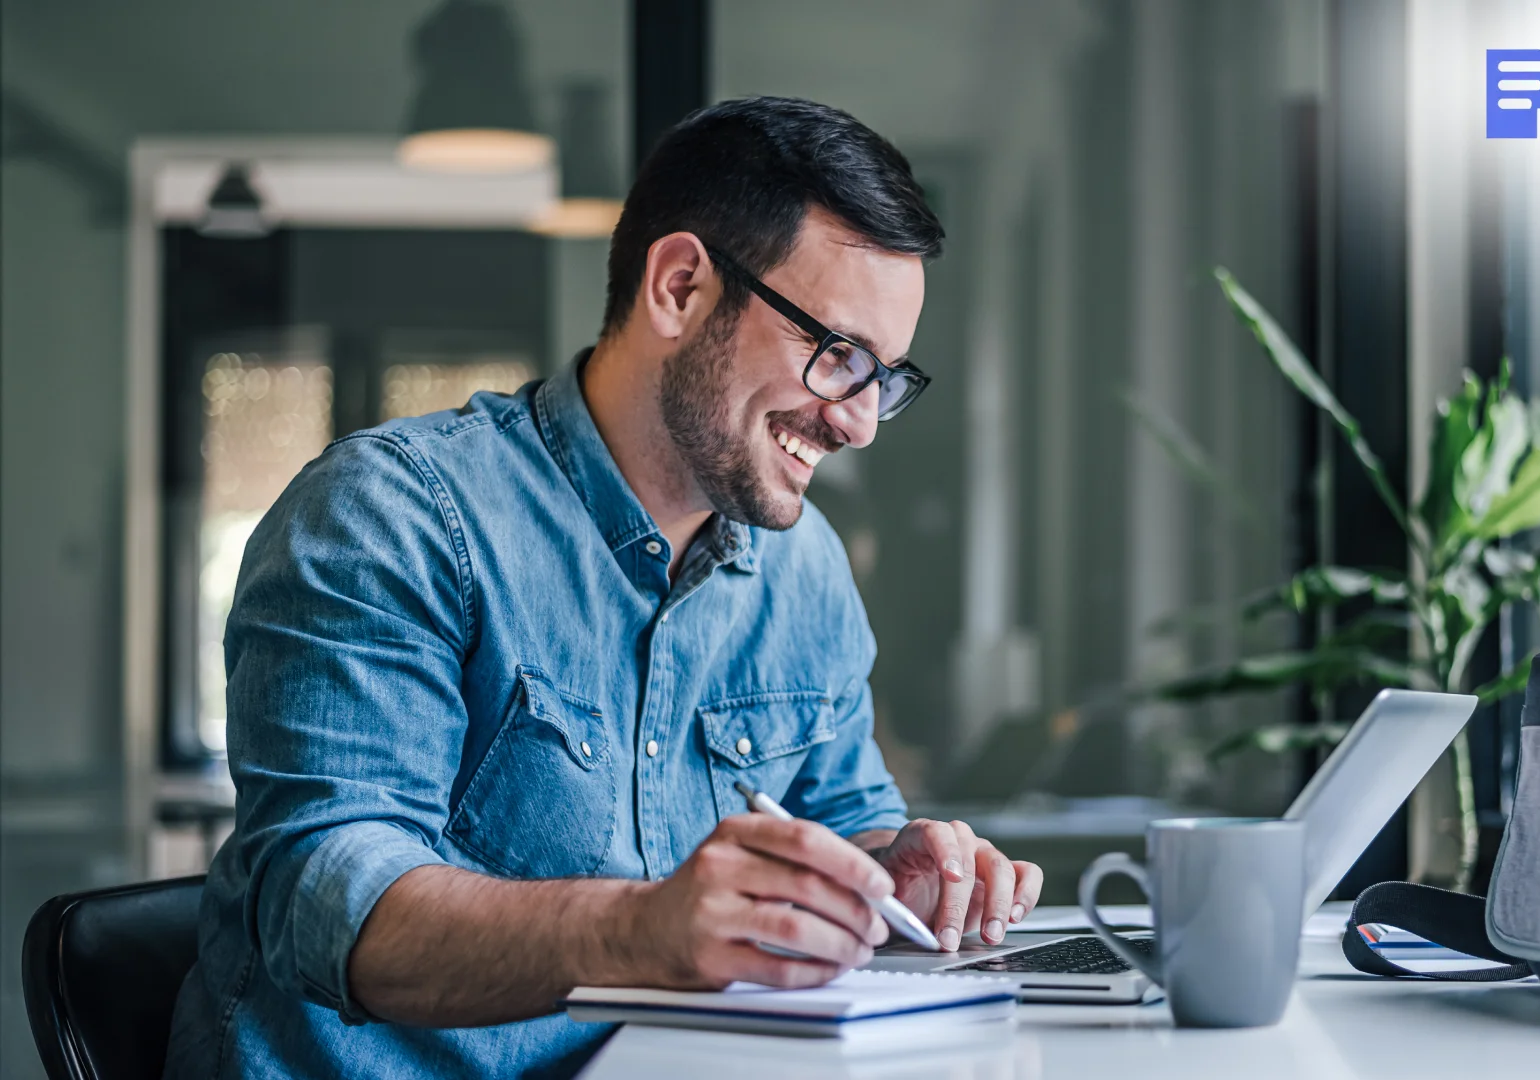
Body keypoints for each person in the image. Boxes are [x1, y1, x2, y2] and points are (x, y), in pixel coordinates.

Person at [164, 96, 1041, 1079]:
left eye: (885, 377)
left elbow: (841, 814)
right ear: (678, 287)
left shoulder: (805, 569)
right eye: (837, 356)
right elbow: (324, 896)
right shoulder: (391, 514)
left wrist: (898, 872)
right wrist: (642, 932)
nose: (861, 422)